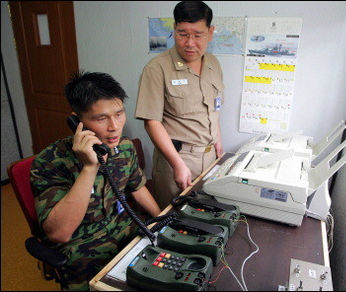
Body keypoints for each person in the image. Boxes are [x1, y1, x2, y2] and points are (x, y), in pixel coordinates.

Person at [30, 71, 161, 291]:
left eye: (119, 114)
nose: (114, 126)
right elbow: (60, 233)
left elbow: (137, 187)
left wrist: (161, 223)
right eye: (101, 118)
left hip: (126, 230)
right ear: (76, 121)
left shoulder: (125, 147)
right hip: (81, 250)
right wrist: (90, 167)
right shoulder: (50, 162)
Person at [135, 1, 225, 210]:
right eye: (183, 34)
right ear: (174, 30)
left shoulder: (213, 63)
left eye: (198, 35)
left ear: (210, 32)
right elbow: (151, 122)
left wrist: (218, 141)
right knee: (173, 222)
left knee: (204, 218)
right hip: (177, 160)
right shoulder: (157, 68)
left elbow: (214, 109)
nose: (190, 43)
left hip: (210, 157)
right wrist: (177, 164)